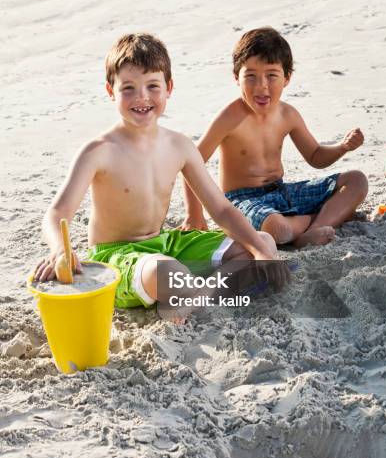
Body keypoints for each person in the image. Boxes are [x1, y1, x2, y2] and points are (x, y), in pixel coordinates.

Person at [34, 33, 289, 322]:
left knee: (263, 242)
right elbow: (57, 213)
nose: (142, 97)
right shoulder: (99, 151)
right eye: (128, 88)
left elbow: (221, 209)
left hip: (166, 243)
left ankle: (193, 299)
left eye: (152, 86)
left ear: (168, 88)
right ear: (110, 90)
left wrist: (260, 251)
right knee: (168, 272)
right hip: (118, 255)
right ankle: (196, 292)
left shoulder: (179, 146)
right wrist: (59, 250)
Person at [181, 27, 368, 248]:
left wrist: (342, 147)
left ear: (287, 78)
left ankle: (315, 227)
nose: (261, 86)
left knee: (356, 180)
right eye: (250, 76)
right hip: (243, 200)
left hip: (282, 192)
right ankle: (315, 223)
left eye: (271, 75)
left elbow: (316, 156)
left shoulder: (288, 114)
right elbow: (191, 162)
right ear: (236, 77)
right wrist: (194, 214)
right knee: (278, 230)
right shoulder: (230, 117)